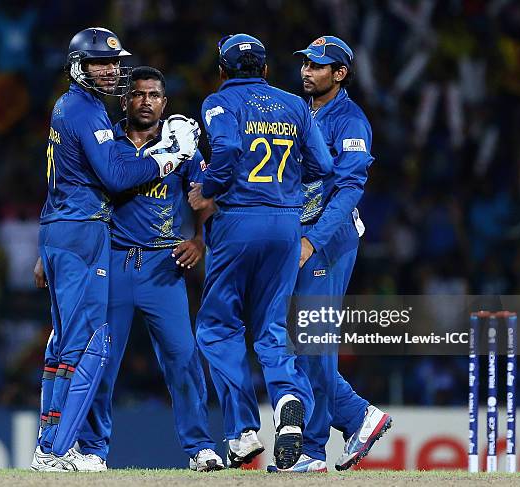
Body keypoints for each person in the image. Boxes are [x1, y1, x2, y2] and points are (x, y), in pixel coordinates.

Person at [31, 28, 200, 472]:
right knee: (88, 346)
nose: (110, 70)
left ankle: (50, 443)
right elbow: (117, 178)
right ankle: (57, 450)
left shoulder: (76, 107)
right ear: (77, 65)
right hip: (83, 232)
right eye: (98, 63)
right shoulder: (85, 110)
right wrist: (170, 157)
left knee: (64, 344)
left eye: (113, 63)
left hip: (62, 230)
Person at [188, 34, 334, 471]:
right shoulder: (294, 104)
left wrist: (208, 190)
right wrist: (285, 181)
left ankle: (243, 430)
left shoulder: (218, 103)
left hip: (238, 222)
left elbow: (229, 149)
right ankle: (288, 396)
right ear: (267, 70)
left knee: (217, 327)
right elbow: (324, 167)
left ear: (222, 71)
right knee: (271, 327)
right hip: (286, 223)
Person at [74, 66, 223, 471]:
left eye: (154, 95)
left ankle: (200, 448)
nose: (146, 101)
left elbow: (207, 196)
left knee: (183, 358)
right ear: (125, 101)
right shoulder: (106, 143)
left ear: (164, 102)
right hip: (113, 262)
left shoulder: (184, 146)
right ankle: (92, 450)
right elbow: (79, 196)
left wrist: (198, 240)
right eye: (138, 95)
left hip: (164, 265)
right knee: (101, 361)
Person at [268, 36, 391, 473]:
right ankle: (357, 418)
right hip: (300, 237)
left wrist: (312, 241)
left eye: (318, 66)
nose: (307, 71)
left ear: (339, 74)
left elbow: (349, 190)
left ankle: (312, 450)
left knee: (311, 343)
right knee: (297, 343)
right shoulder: (303, 111)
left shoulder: (350, 120)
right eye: (305, 63)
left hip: (328, 240)